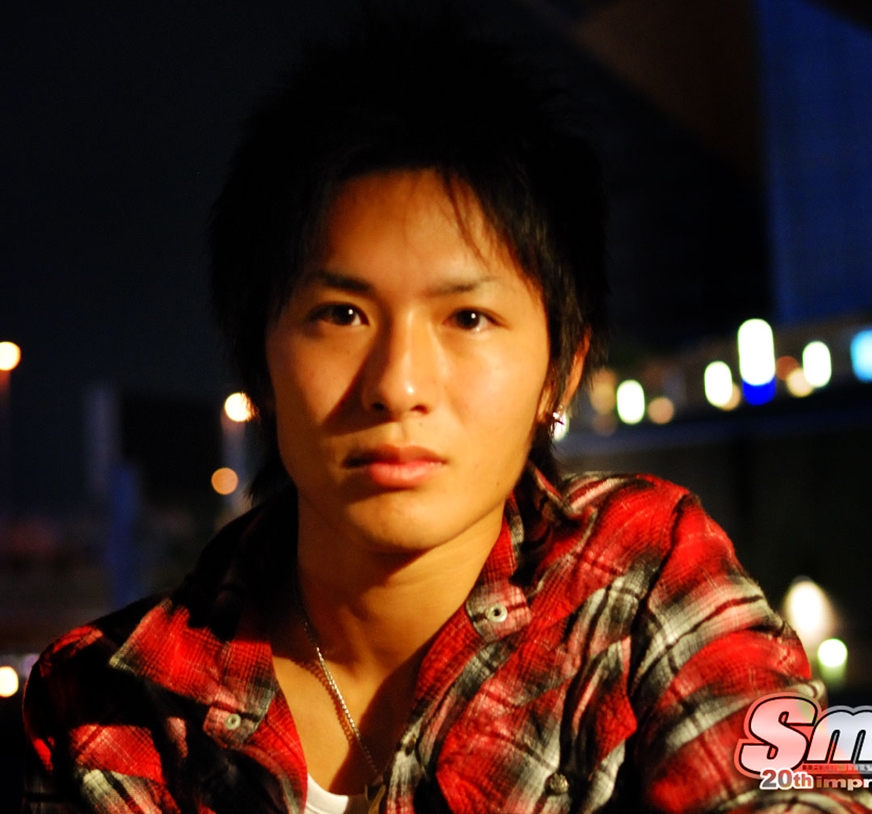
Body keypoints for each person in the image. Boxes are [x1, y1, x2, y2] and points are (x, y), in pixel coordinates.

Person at [20, 7, 871, 813]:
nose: (398, 385)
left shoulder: (644, 579)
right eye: (341, 315)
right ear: (260, 358)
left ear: (561, 373)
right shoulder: (108, 704)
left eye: (467, 318)